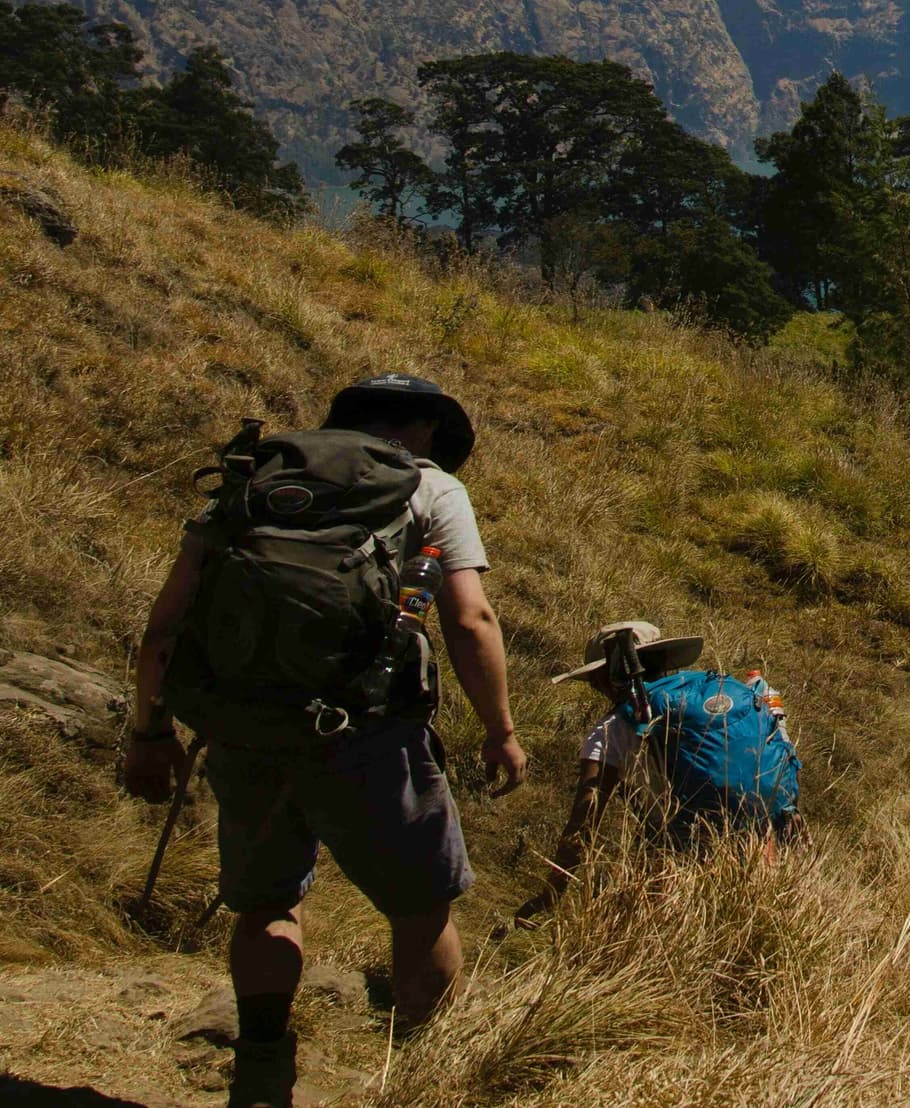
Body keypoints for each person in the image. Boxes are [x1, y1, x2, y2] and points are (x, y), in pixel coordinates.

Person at [120, 373, 526, 1108]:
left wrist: (149, 732)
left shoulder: (259, 476)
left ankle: (264, 1063)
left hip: (245, 729)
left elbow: (164, 625)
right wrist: (500, 731)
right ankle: (428, 1079)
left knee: (268, 903)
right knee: (420, 908)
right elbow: (471, 621)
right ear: (428, 430)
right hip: (370, 734)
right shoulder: (428, 487)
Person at [518, 618, 802, 918]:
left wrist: (551, 895)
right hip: (759, 848)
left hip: (678, 863)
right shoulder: (718, 692)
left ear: (606, 678)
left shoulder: (613, 728)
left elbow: (584, 822)